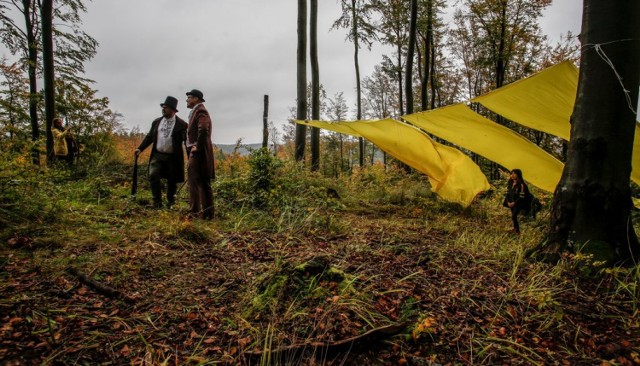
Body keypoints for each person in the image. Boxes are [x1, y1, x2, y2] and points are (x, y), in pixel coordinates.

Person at [135, 96, 188, 209]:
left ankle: (170, 203)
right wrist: (140, 148)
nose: (163, 109)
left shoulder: (182, 124)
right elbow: (150, 137)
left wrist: (191, 156)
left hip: (173, 157)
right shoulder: (157, 122)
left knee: (172, 180)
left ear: (173, 110)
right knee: (153, 175)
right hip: (157, 155)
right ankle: (157, 203)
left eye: (166, 108)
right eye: (163, 107)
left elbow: (186, 141)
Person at [185, 89, 215, 220]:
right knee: (203, 181)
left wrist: (196, 145)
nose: (187, 100)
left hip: (199, 152)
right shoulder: (197, 111)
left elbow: (203, 129)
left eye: (189, 97)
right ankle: (208, 214)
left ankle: (194, 213)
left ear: (196, 99)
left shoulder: (200, 111)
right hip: (201, 151)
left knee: (194, 181)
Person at [503, 168, 531, 234]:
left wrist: (514, 203)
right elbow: (507, 193)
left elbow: (522, 196)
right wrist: (508, 202)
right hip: (511, 202)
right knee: (513, 216)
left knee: (514, 215)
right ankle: (516, 229)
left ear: (518, 175)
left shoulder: (521, 184)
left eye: (514, 173)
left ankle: (517, 231)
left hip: (519, 203)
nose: (512, 175)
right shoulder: (510, 183)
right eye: (511, 173)